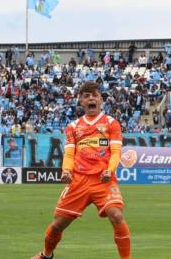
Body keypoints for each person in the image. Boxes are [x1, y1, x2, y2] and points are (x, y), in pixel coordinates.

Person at [32, 82, 130, 259]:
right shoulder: (73, 126)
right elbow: (69, 153)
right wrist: (66, 171)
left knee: (116, 215)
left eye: (94, 95)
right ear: (81, 101)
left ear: (100, 99)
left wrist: (110, 170)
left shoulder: (111, 123)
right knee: (57, 225)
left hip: (103, 180)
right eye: (86, 96)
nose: (91, 98)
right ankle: (46, 255)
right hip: (79, 181)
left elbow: (116, 151)